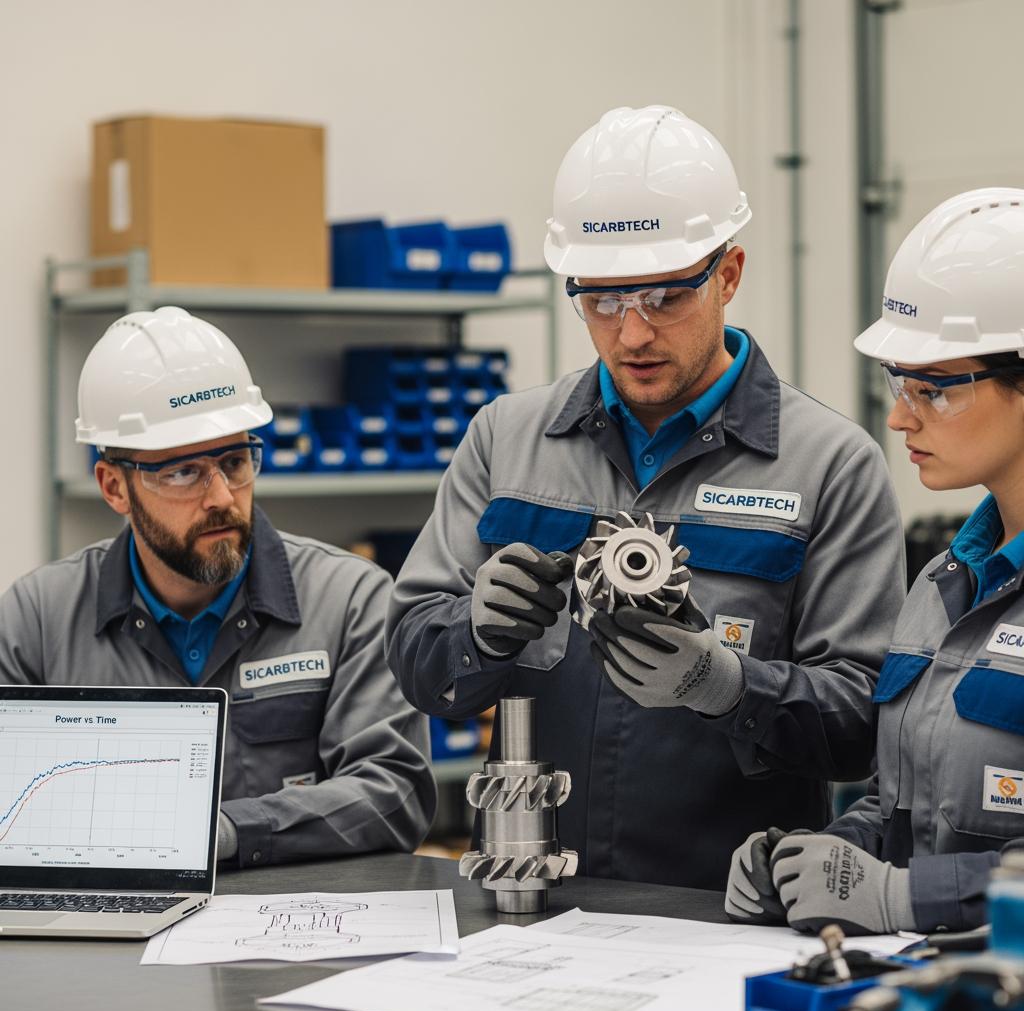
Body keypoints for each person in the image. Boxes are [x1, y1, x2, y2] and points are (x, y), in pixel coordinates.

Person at [385, 105, 905, 889]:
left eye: (665, 297)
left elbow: (863, 730)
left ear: (727, 275)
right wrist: (476, 632)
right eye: (601, 300)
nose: (631, 335)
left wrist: (726, 686)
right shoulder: (506, 437)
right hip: (534, 904)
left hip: (727, 915)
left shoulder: (828, 464)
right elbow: (422, 671)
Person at [0, 306, 436, 868]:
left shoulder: (351, 600)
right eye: (183, 472)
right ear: (114, 487)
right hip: (106, 933)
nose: (222, 497)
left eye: (234, 461)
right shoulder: (37, 619)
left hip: (295, 934)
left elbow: (392, 794)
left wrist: (227, 831)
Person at [725, 187, 1024, 935]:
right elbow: (904, 807)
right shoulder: (940, 586)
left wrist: (903, 898)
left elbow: (915, 875)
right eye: (899, 382)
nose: (898, 416)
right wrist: (822, 857)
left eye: (934, 389)